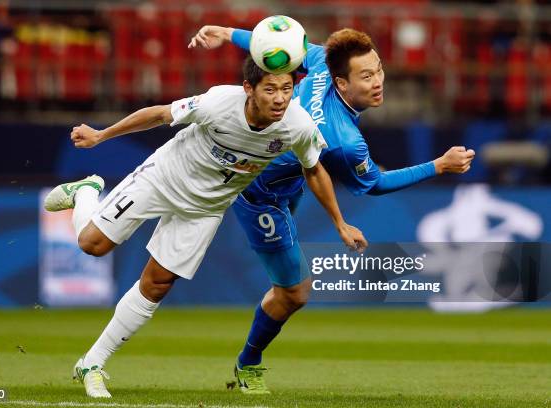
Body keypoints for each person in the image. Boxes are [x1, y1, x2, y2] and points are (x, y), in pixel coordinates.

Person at [43, 56, 368, 398]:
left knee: (156, 285)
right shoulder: (219, 102)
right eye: (270, 89)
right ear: (249, 89)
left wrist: (340, 222)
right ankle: (86, 192)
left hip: (205, 208)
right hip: (163, 177)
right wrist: (101, 136)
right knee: (92, 245)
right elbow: (159, 114)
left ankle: (92, 363)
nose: (279, 98)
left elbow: (314, 169)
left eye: (286, 89)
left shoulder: (297, 125)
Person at [188, 25, 476, 394]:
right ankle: (248, 364)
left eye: (379, 70)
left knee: (289, 287)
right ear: (341, 84)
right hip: (259, 193)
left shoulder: (324, 61)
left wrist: (229, 33)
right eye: (366, 76)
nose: (377, 82)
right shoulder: (344, 142)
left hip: (289, 180)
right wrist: (438, 165)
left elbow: (282, 46)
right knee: (295, 293)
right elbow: (374, 184)